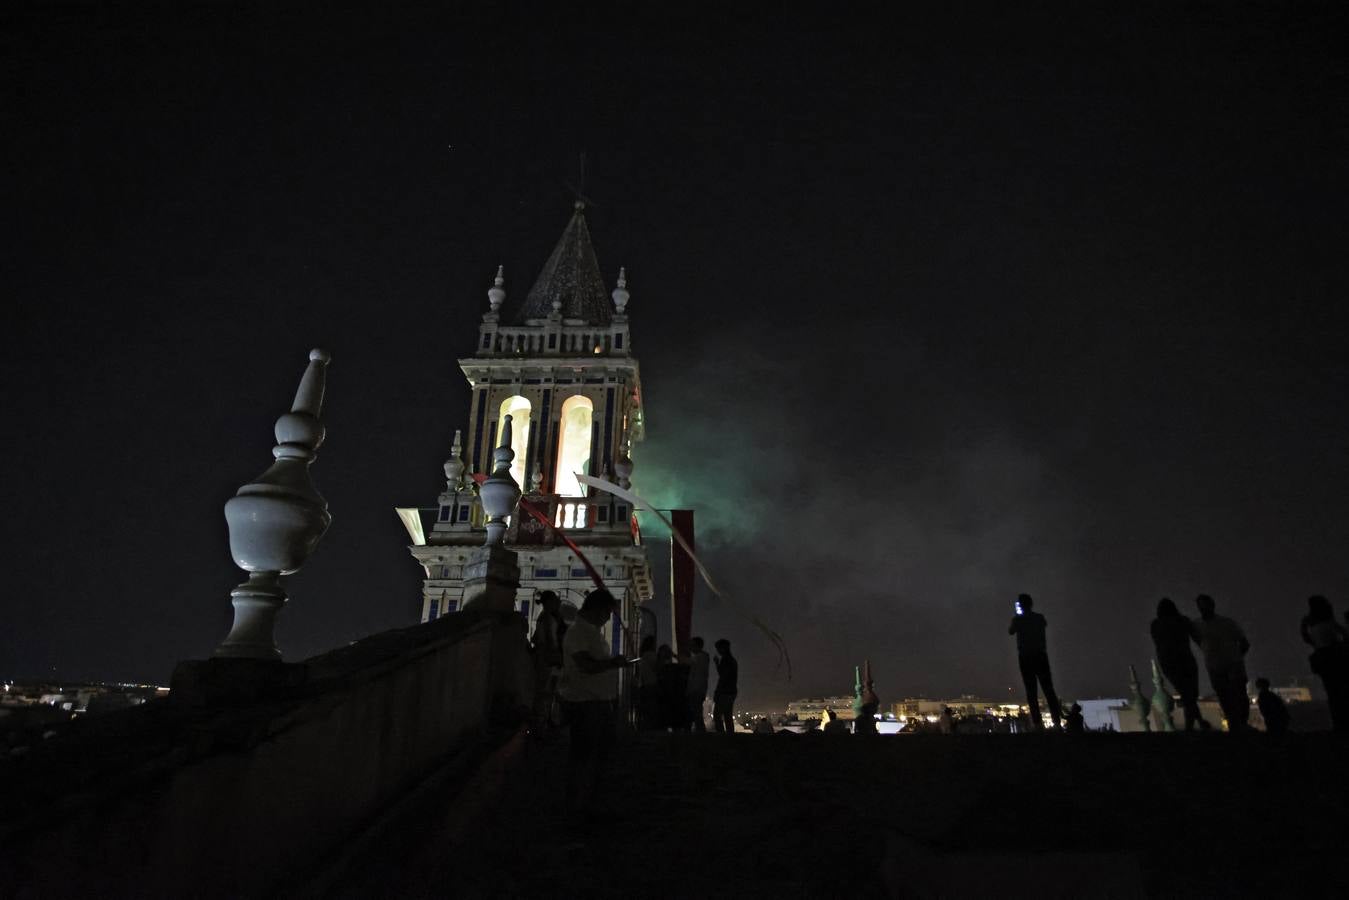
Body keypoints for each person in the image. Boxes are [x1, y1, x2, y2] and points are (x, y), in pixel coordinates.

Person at [558, 589, 630, 815]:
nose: (608, 618)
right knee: (585, 758)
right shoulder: (578, 632)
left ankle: (589, 803)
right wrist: (613, 664)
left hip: (598, 704)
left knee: (597, 757)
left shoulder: (591, 632)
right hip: (586, 704)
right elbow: (585, 666)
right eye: (607, 613)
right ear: (596, 609)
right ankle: (578, 807)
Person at [1190, 594, 1251, 732]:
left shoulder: (1200, 625)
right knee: (1231, 695)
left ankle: (1238, 724)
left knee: (1233, 695)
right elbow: (1244, 643)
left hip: (1222, 665)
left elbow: (1244, 643)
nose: (1203, 609)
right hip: (1221, 665)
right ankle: (1239, 724)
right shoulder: (1225, 623)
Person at [1150, 597, 1207, 730]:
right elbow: (1197, 638)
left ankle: (1196, 724)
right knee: (1190, 694)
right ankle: (1194, 724)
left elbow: (1158, 643)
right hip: (1186, 660)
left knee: (1187, 694)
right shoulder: (1183, 621)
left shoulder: (1156, 625)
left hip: (1168, 663)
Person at [1008, 594, 1062, 730]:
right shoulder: (1039, 618)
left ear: (1020, 605)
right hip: (1040, 655)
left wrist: (1018, 616)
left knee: (1031, 691)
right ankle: (1056, 722)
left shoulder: (1018, 620)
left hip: (1025, 657)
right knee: (1048, 689)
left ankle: (1037, 723)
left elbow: (1011, 631)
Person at [1300, 595, 1349, 732]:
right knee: (1341, 690)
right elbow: (1345, 635)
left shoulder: (1310, 623)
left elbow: (1307, 638)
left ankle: (1338, 723)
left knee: (1332, 691)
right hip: (1336, 656)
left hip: (1322, 657)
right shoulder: (1330, 623)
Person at [529, 590, 565, 733]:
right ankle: (541, 723)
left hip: (551, 660)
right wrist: (555, 657)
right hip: (547, 660)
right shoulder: (545, 618)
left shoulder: (551, 617)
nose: (558, 603)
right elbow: (545, 641)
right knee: (545, 691)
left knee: (550, 692)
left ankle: (546, 720)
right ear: (549, 602)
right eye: (555, 601)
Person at [712, 639, 738, 733]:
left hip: (725, 691)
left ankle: (722, 735)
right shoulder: (732, 660)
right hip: (731, 691)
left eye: (718, 648)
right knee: (727, 715)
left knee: (717, 715)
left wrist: (717, 692)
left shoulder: (726, 660)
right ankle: (729, 736)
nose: (718, 651)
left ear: (723, 648)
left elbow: (723, 676)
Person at [686, 637, 711, 733]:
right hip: (699, 688)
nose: (690, 647)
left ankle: (700, 732)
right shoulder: (703, 657)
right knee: (697, 712)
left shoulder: (700, 657)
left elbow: (687, 662)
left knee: (696, 712)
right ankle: (700, 732)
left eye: (692, 645)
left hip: (697, 689)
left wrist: (674, 655)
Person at [635, 635, 659, 731]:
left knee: (646, 707)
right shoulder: (651, 655)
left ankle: (644, 726)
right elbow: (657, 667)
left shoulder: (643, 656)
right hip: (652, 683)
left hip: (645, 684)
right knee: (652, 707)